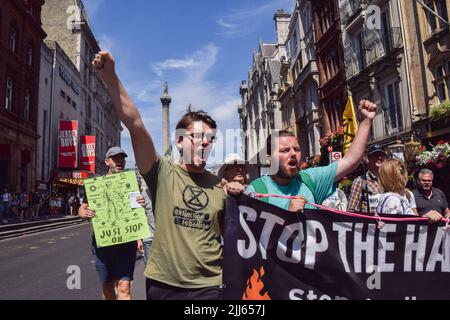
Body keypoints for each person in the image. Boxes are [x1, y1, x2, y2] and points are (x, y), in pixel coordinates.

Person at [92, 51, 226, 300]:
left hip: (209, 286)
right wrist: (110, 77)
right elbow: (135, 123)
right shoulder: (161, 171)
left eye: (210, 139)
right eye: (197, 137)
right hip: (164, 284)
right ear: (179, 141)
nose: (204, 143)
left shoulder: (221, 186)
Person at [244, 99, 377, 212]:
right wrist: (287, 216)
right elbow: (251, 237)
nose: (293, 154)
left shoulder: (309, 180)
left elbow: (350, 161)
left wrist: (366, 121)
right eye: (285, 150)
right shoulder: (256, 191)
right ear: (268, 159)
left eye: (296, 149)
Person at [78, 146, 144, 300]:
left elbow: (136, 212)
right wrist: (83, 213)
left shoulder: (131, 183)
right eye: (115, 158)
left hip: (127, 244)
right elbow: (82, 208)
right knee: (107, 285)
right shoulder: (96, 185)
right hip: (104, 244)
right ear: (107, 162)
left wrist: (139, 237)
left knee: (124, 287)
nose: (120, 161)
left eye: (122, 158)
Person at [348, 144, 387, 214]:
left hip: (390, 223)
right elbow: (351, 211)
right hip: (370, 223)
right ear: (368, 158)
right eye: (375, 154)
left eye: (382, 155)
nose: (379, 157)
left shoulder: (390, 180)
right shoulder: (360, 182)